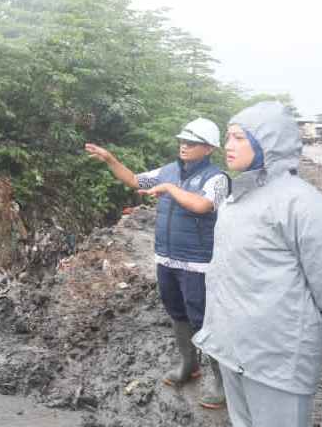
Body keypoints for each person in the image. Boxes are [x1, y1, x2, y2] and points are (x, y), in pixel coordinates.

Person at [194, 101, 322, 427]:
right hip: (233, 345)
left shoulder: (302, 203)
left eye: (239, 137)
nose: (228, 145)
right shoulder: (237, 197)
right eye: (228, 136)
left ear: (267, 142)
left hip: (278, 352)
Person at [85, 118, 229, 409]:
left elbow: (202, 205)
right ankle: (189, 364)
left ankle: (222, 381)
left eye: (192, 142)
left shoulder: (217, 178)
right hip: (166, 258)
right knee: (176, 312)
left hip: (198, 263)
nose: (184, 146)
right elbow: (135, 180)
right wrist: (110, 159)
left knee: (204, 318)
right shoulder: (168, 171)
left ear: (209, 148)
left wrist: (169, 189)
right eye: (182, 140)